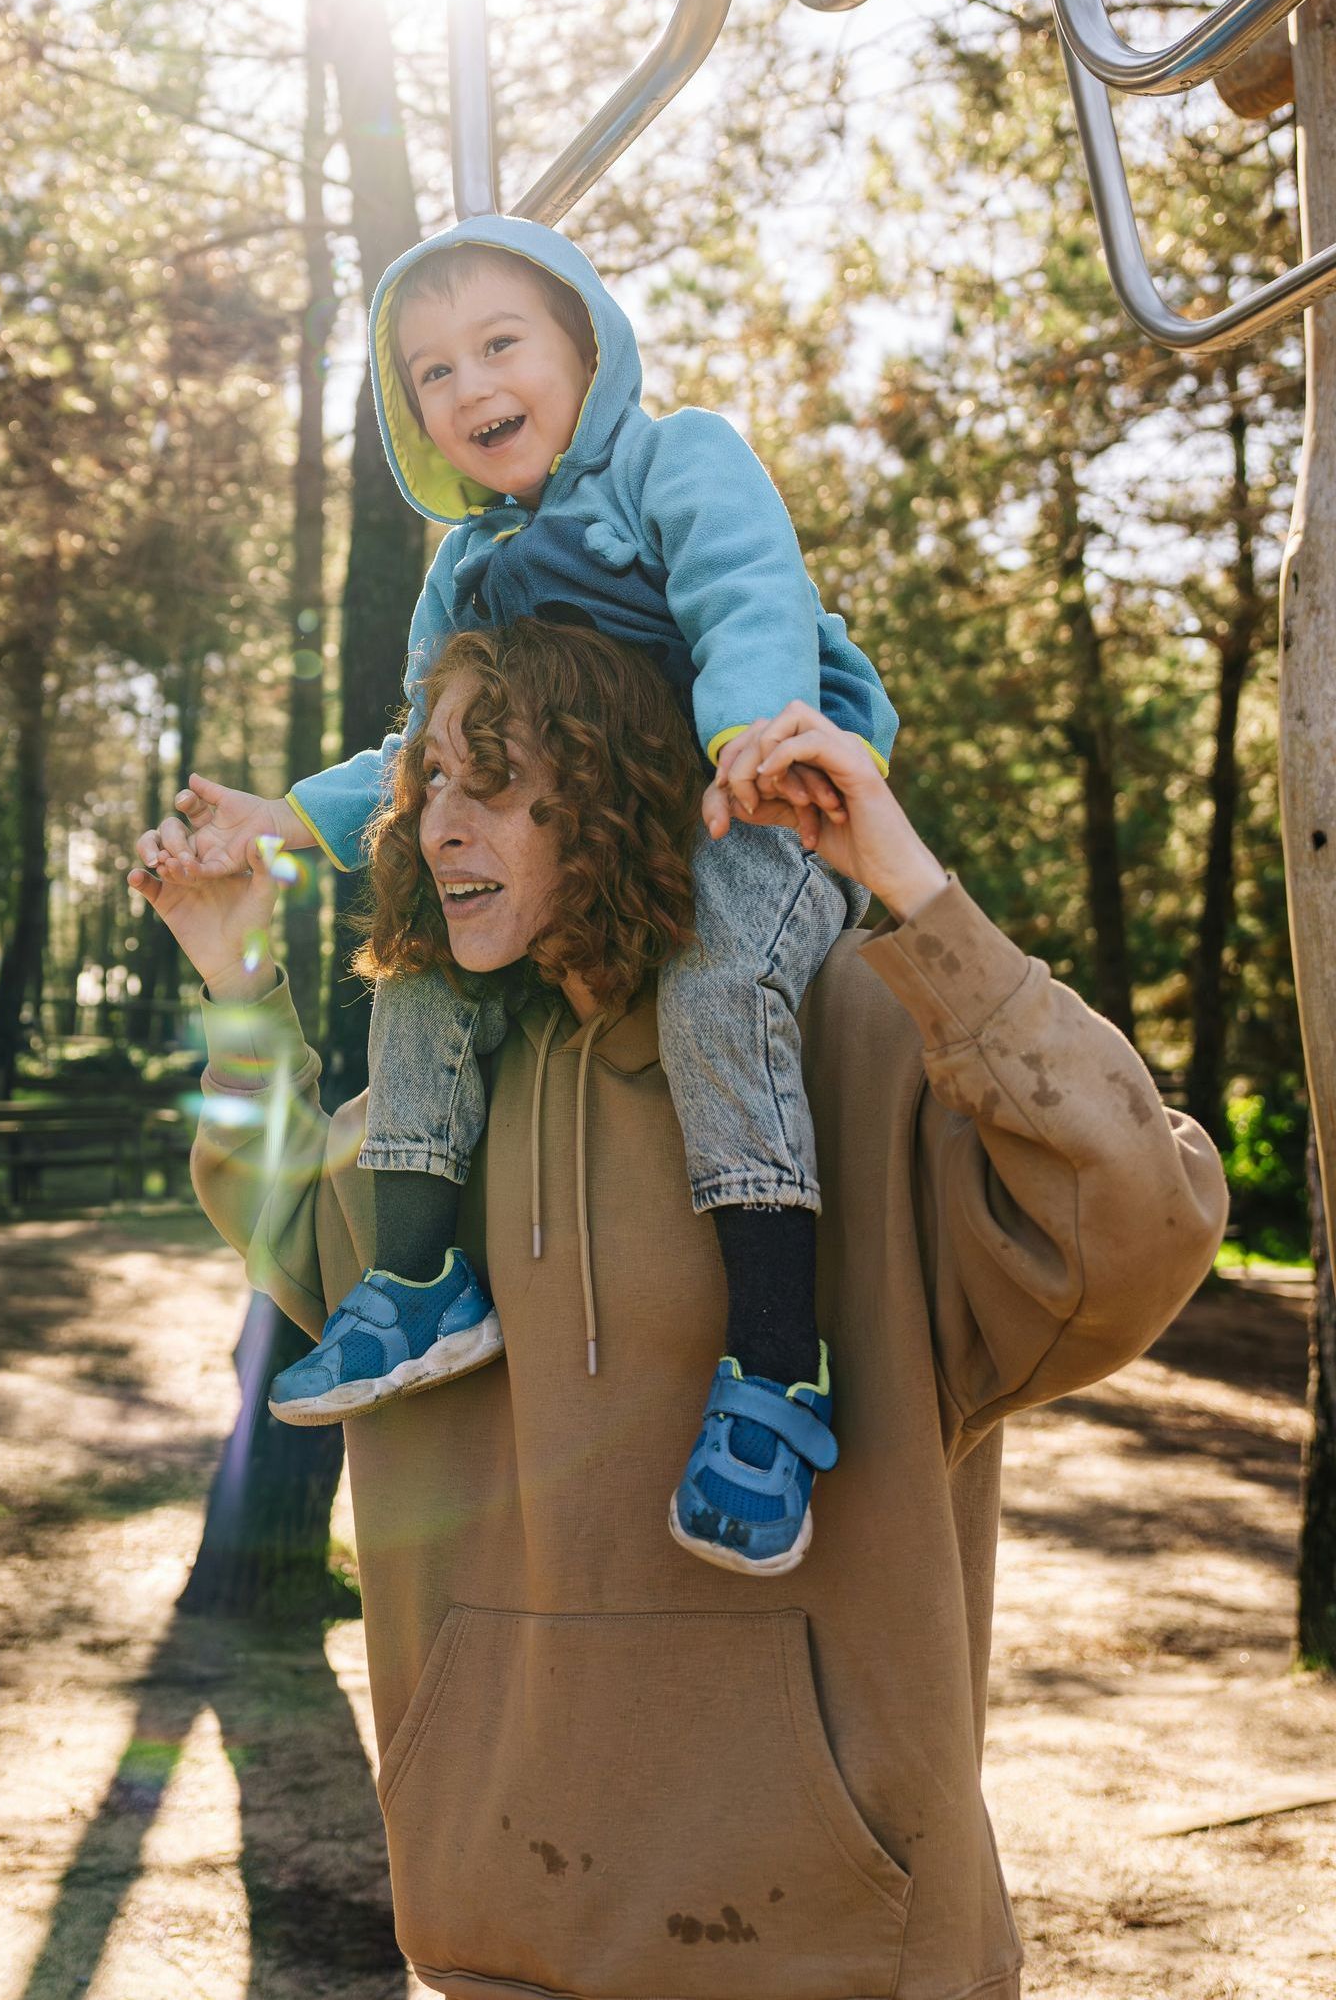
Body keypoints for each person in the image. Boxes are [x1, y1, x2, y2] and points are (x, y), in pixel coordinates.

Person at [130, 618, 1225, 2000]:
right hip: (502, 1938)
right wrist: (236, 977)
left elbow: (1140, 1219)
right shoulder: (456, 1100)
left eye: (491, 780)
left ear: (617, 783)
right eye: (426, 789)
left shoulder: (859, 1044)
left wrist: (915, 895)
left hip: (837, 1956)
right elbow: (291, 1219)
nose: (432, 829)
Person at [140, 215, 900, 1576]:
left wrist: (749, 737)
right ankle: (422, 1277)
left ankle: (779, 1365)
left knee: (721, 980)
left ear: (588, 348)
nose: (468, 384)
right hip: (490, 1767)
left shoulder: (677, 461)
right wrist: (267, 891)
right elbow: (427, 748)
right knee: (417, 958)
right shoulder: (464, 567)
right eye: (429, 371)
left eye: (500, 344)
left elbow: (744, 597)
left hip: (750, 802)